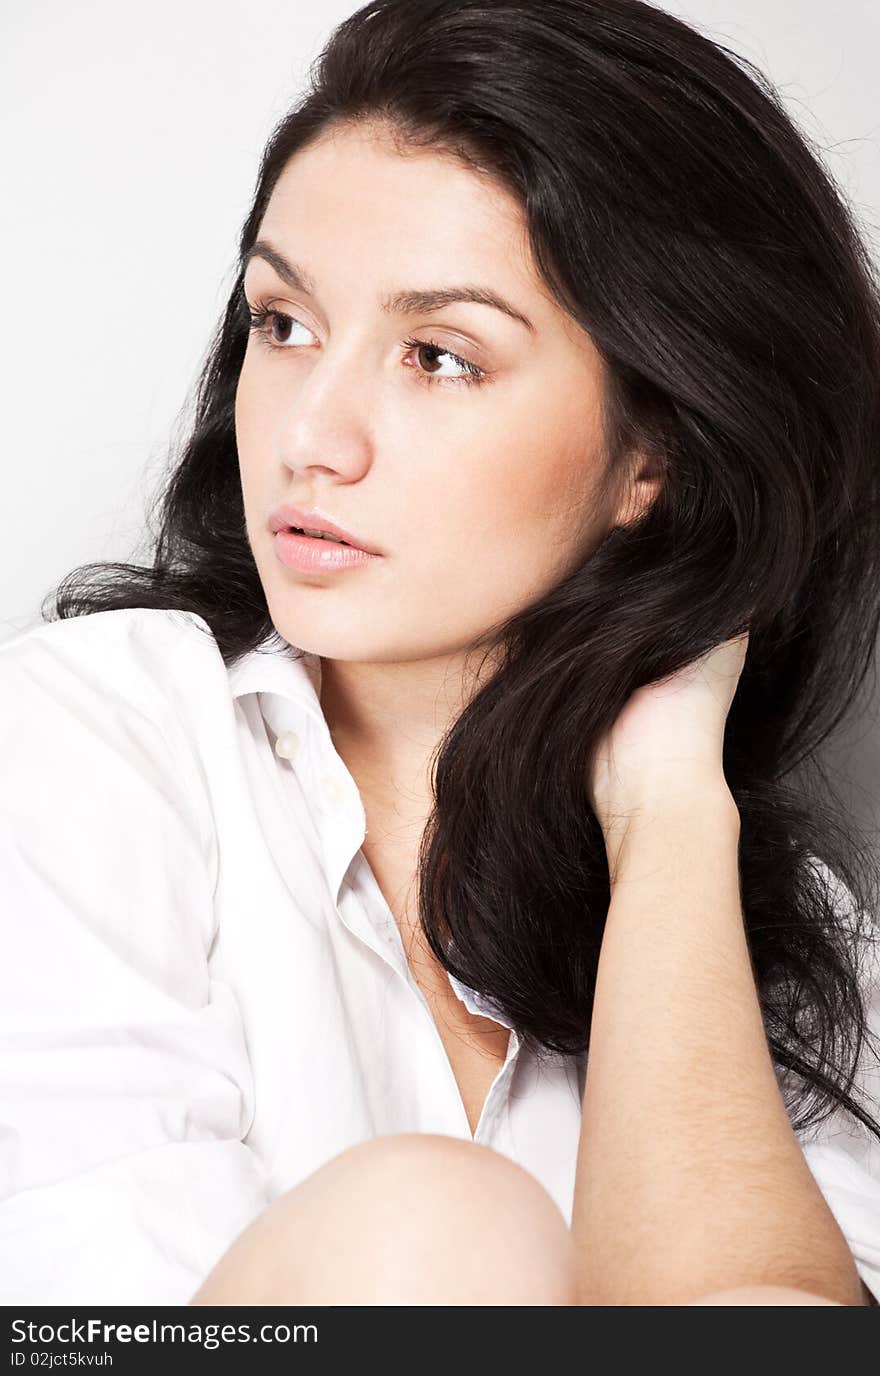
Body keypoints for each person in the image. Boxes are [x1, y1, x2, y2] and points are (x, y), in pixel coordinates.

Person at [1, 0, 879, 1307]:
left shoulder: (782, 931)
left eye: (439, 357)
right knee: (435, 1228)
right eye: (284, 324)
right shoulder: (93, 737)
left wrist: (668, 819)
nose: (312, 435)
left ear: (657, 458)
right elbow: (84, 1317)